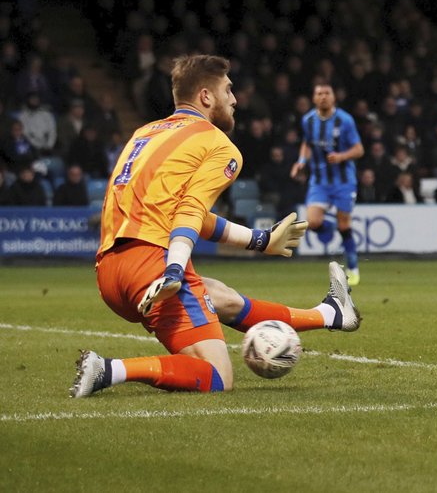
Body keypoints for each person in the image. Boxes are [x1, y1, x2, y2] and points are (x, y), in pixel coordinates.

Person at [71, 55, 360, 398]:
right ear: (206, 97)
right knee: (217, 376)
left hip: (110, 271)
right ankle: (108, 369)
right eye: (228, 90)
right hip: (155, 267)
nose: (235, 100)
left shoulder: (145, 133)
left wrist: (259, 239)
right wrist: (175, 269)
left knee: (219, 296)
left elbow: (174, 210)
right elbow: (190, 212)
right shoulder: (219, 145)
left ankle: (330, 313)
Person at [290, 82, 365, 285]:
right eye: (319, 93)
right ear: (314, 98)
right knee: (312, 222)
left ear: (333, 97)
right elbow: (307, 143)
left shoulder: (345, 120)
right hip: (319, 181)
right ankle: (331, 228)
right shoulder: (308, 120)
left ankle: (353, 267)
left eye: (327, 93)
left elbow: (359, 149)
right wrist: (301, 162)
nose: (323, 96)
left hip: (343, 181)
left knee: (345, 225)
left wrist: (342, 156)